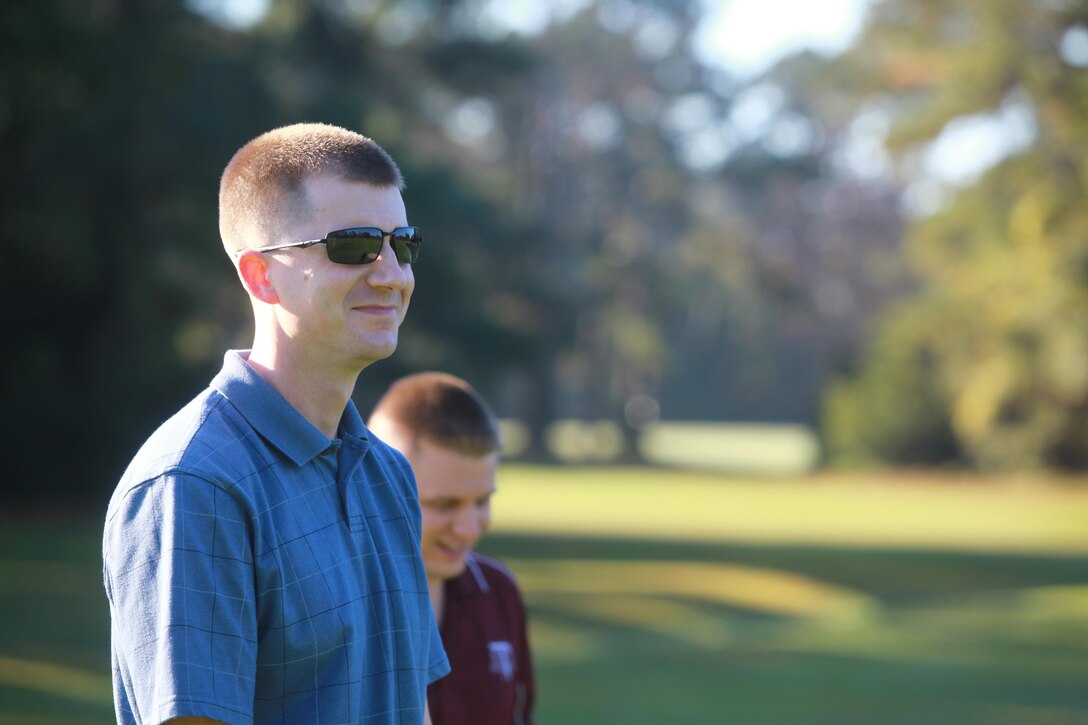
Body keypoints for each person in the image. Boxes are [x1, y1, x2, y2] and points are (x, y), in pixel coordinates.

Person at [102, 123, 448, 725]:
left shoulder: (388, 473)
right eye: (355, 245)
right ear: (262, 275)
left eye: (404, 244)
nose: (393, 273)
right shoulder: (194, 485)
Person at [367, 372, 535, 725]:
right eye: (444, 504)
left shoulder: (499, 591)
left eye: (482, 501)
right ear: (379, 489)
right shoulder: (335, 601)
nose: (469, 528)